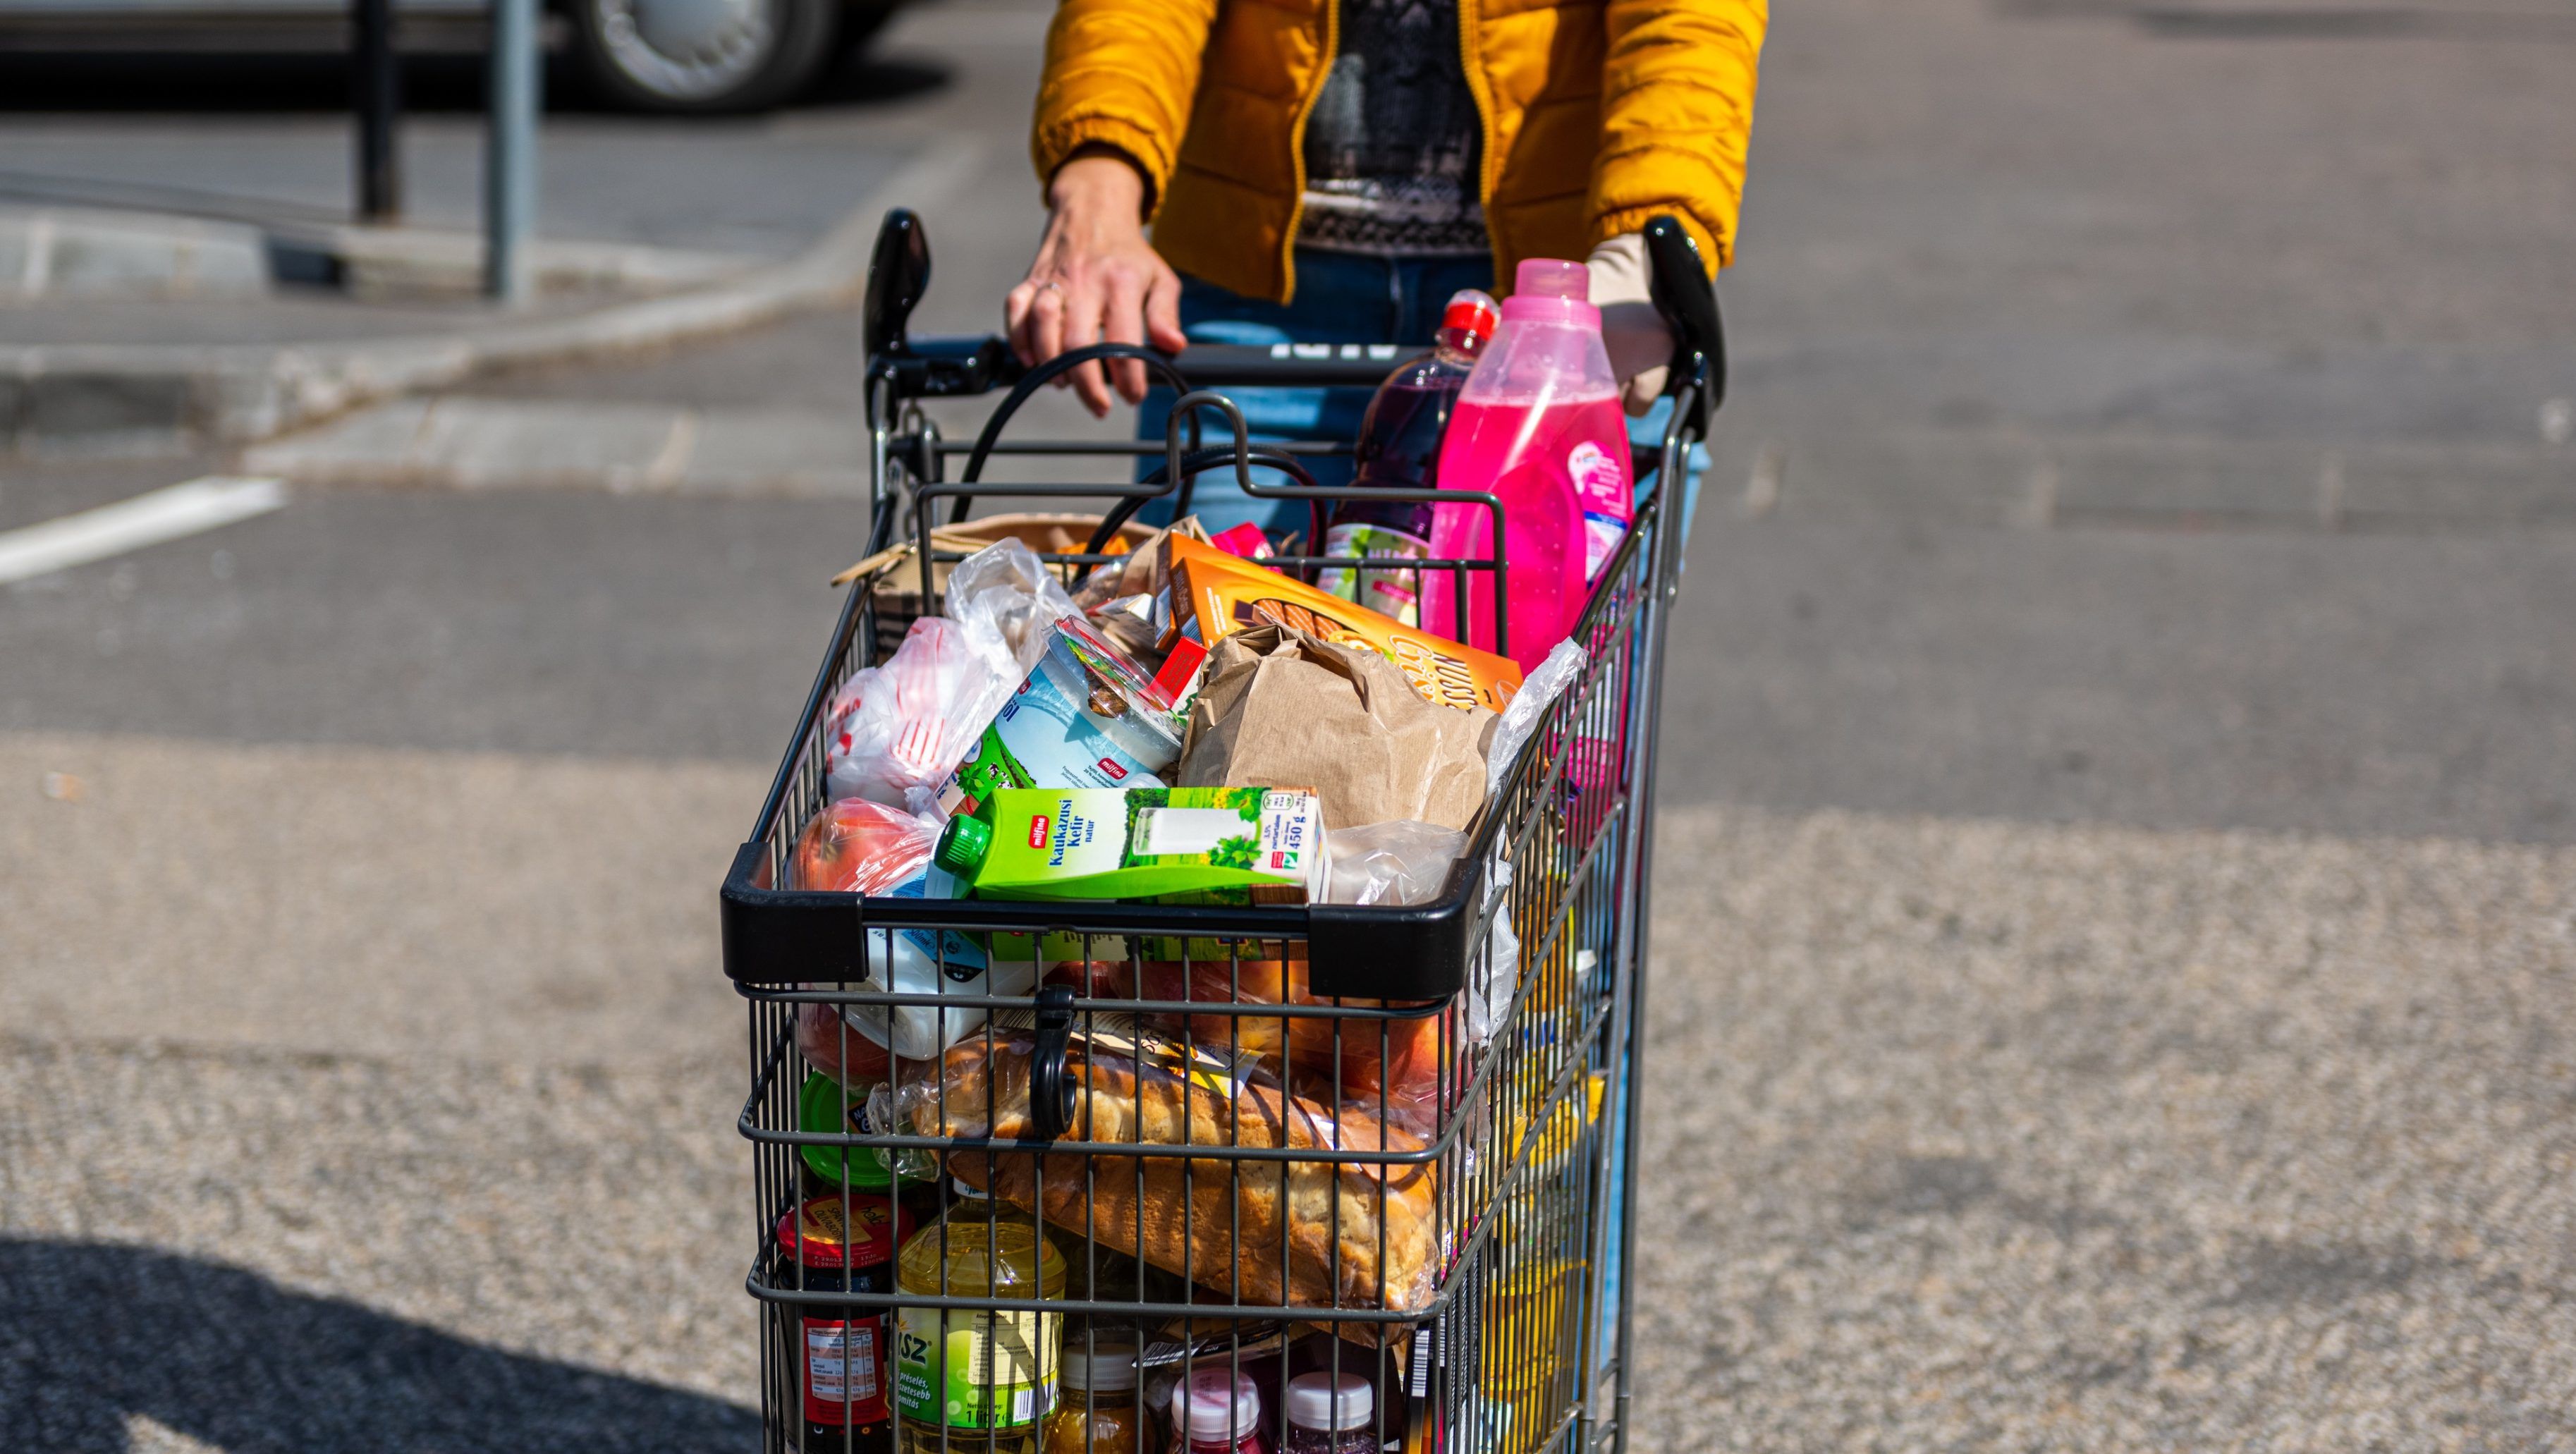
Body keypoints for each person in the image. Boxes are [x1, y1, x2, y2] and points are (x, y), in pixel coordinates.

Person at [1003, 0, 1766, 537]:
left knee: (1552, 740)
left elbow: (1687, 22)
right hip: (1262, 309)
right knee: (1224, 706)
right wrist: (1100, 179)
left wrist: (1644, 242)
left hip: (1553, 310)